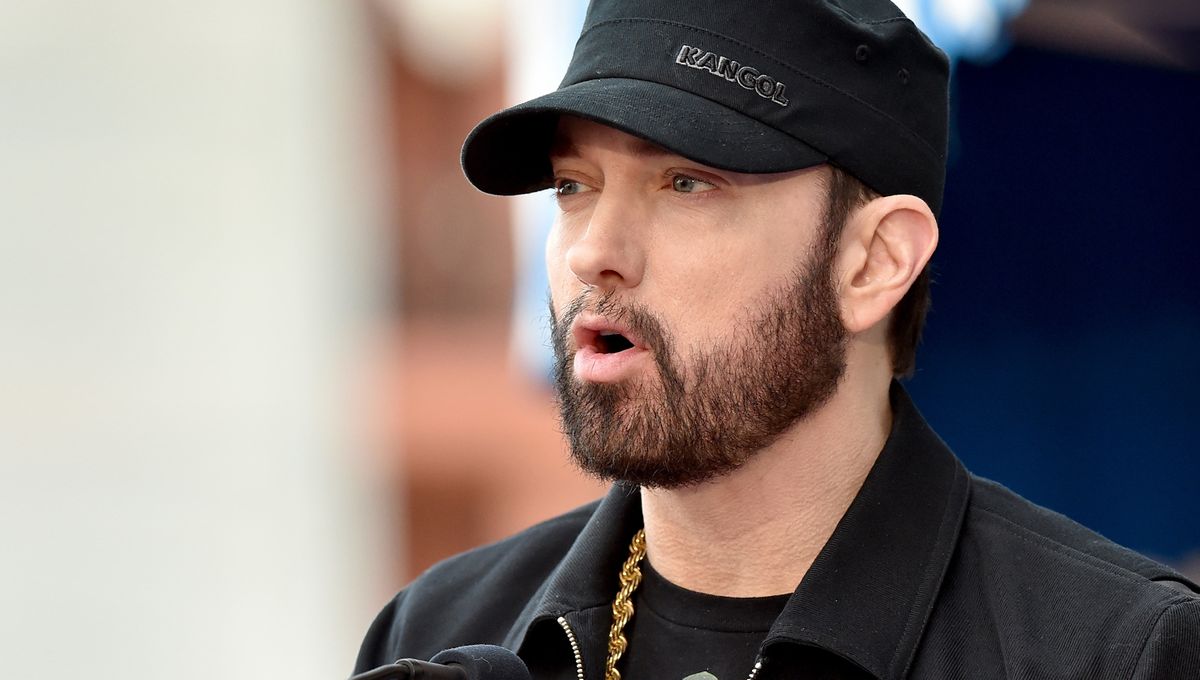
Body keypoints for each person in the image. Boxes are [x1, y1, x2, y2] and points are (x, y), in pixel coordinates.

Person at [354, 0, 1200, 677]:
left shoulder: (1114, 652)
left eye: (686, 184)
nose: (591, 252)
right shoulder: (437, 629)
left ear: (873, 261)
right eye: (574, 186)